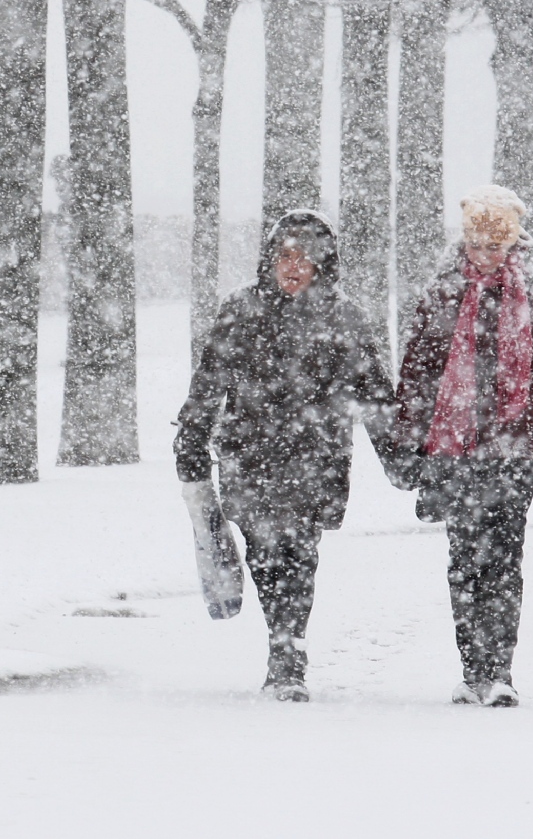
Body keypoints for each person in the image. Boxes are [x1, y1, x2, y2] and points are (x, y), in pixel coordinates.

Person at [175, 209, 398, 701]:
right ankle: (284, 640)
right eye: (285, 256)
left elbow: (377, 396)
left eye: (305, 258)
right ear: (271, 260)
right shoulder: (240, 311)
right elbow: (210, 381)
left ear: (324, 265)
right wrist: (190, 438)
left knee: (299, 553)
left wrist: (401, 456)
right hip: (249, 455)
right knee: (265, 552)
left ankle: (287, 654)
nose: (293, 266)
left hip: (315, 459)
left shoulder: (343, 318)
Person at [394, 184, 533, 708]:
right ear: (466, 242)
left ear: (513, 242)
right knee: (465, 557)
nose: (487, 255)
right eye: (479, 245)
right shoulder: (442, 294)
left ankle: (499, 671)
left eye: (497, 245)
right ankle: (473, 669)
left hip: (517, 447)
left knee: (504, 556)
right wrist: (405, 446)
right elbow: (417, 374)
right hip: (455, 448)